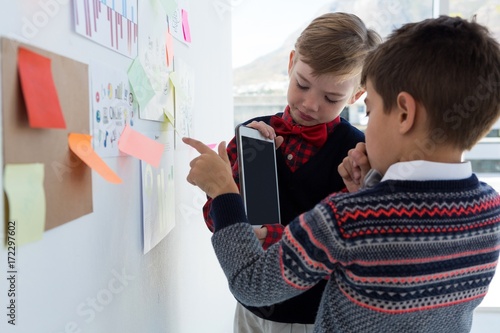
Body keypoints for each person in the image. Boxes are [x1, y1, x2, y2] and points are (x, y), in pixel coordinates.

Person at [184, 15, 500, 333]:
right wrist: (369, 187)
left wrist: (224, 191)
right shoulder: (492, 211)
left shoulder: (348, 217)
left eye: (370, 110)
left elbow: (253, 283)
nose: (310, 103)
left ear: (404, 113)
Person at [201, 12, 381, 331]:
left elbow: (351, 243)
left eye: (331, 97)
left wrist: (270, 236)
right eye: (302, 84)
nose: (310, 104)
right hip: (251, 310)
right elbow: (218, 221)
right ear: (291, 63)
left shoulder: (359, 154)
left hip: (316, 316)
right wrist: (231, 182)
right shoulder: (252, 135)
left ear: (356, 96)